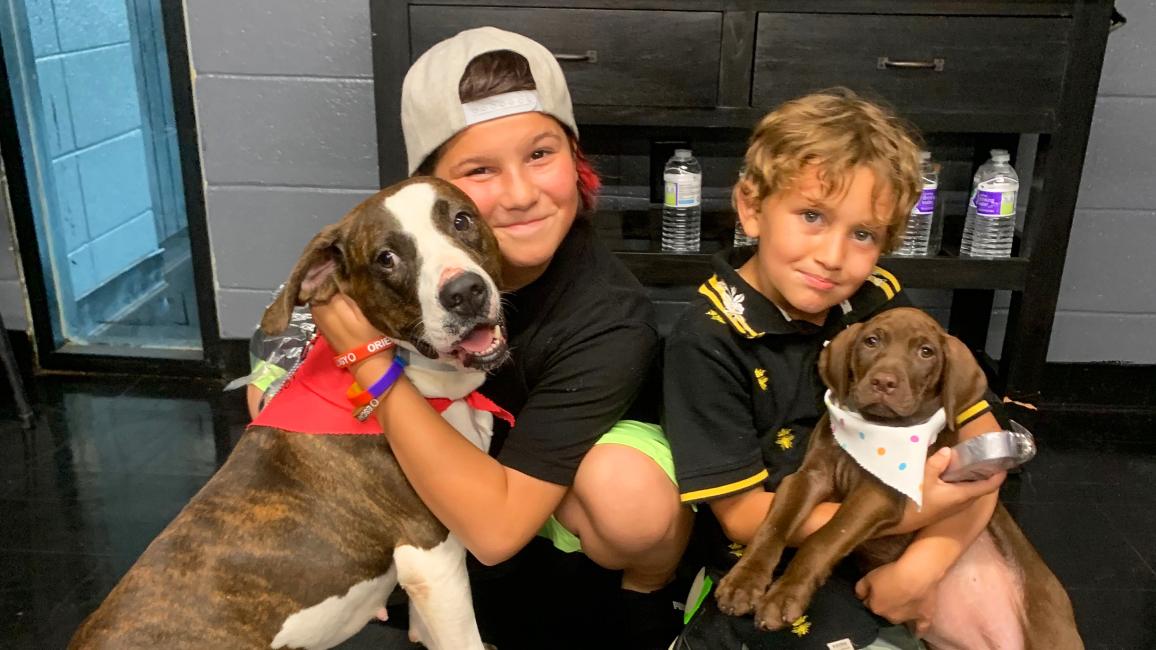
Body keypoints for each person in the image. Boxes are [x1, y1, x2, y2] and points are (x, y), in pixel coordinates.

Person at [248, 27, 691, 649]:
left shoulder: (611, 316)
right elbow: (287, 333)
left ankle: (651, 604)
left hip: (536, 497)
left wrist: (366, 362)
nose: (519, 194)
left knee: (630, 501)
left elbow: (498, 530)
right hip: (463, 479)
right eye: (480, 170)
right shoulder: (382, 261)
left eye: (541, 154)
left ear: (575, 156)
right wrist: (283, 370)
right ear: (426, 187)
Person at [663, 89, 1008, 649]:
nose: (832, 255)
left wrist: (924, 565)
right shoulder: (708, 340)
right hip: (774, 549)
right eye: (812, 216)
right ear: (751, 208)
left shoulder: (880, 304)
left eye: (863, 234)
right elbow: (743, 518)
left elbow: (983, 448)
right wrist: (920, 506)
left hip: (890, 547)